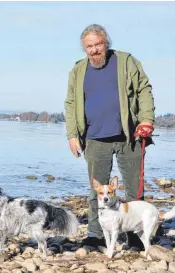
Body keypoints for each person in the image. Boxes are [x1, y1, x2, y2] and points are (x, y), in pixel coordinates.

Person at [64, 24, 155, 248]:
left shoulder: (126, 61)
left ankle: (134, 236)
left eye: (98, 44)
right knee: (96, 190)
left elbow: (144, 89)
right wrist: (72, 135)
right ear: (84, 49)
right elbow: (71, 103)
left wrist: (146, 120)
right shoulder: (78, 70)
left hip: (129, 136)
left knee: (134, 189)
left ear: (107, 43)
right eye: (89, 46)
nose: (95, 50)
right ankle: (95, 234)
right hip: (94, 138)